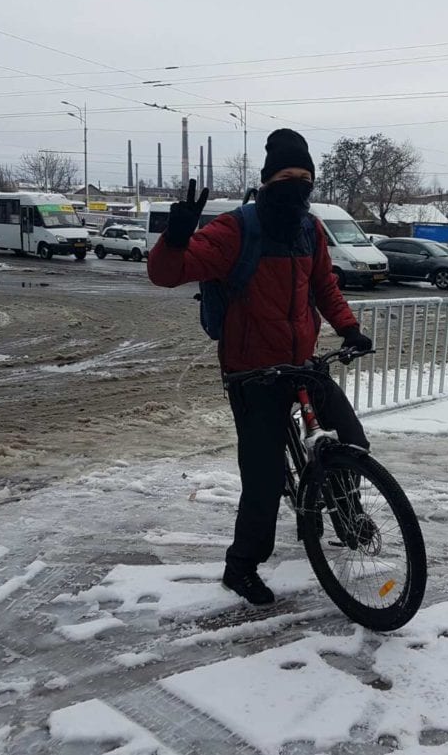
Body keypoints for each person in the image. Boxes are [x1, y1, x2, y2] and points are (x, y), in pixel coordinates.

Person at [147, 129, 374, 605]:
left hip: (301, 362)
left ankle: (345, 515)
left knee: (352, 441)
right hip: (252, 372)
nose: (298, 186)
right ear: (269, 181)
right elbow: (167, 273)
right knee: (265, 478)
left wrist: (349, 329)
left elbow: (324, 287)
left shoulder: (309, 229)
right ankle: (241, 566)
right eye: (289, 177)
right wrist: (176, 235)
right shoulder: (236, 230)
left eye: (306, 178)